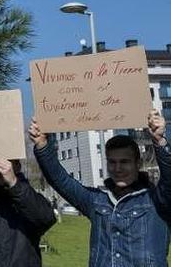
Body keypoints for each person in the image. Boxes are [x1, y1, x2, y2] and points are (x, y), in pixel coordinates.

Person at [30, 110, 171, 267]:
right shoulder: (97, 200)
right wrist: (42, 144)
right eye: (112, 162)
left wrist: (159, 141)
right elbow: (61, 181)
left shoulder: (158, 200)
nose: (117, 168)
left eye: (124, 162)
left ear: (137, 164)